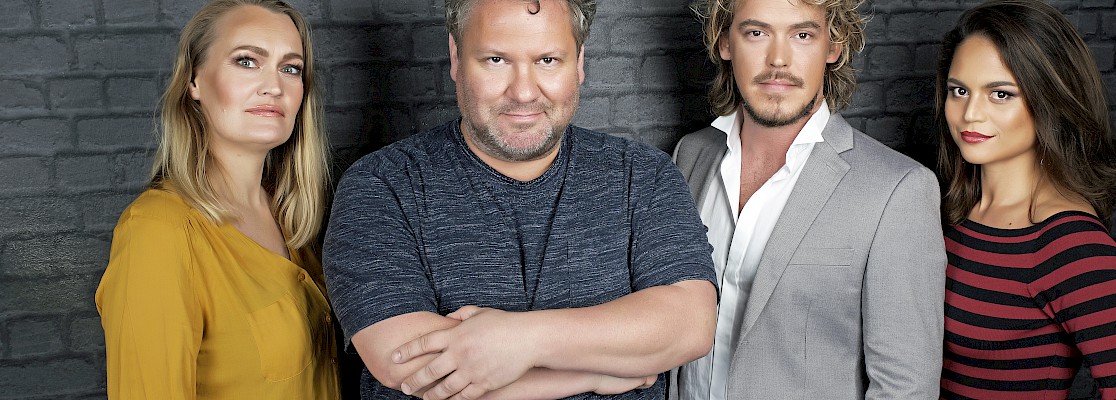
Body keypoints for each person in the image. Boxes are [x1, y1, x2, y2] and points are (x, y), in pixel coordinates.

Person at [321, 0, 718, 399]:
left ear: (579, 61)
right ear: (456, 57)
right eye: (496, 60)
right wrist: (595, 375)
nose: (524, 92)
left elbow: (690, 323)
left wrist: (522, 340)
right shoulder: (382, 184)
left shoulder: (643, 174)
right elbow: (407, 364)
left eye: (547, 60)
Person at [672, 0, 946, 398]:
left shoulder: (898, 190)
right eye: (757, 33)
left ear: (833, 46)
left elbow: (907, 388)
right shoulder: (690, 156)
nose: (778, 59)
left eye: (802, 35)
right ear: (725, 42)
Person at [94, 0, 338, 398]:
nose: (274, 86)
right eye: (246, 61)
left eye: (291, 68)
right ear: (194, 81)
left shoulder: (289, 218)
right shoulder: (158, 232)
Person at [935, 1, 1116, 399]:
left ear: (1049, 100)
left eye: (1000, 94)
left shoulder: (1069, 244)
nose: (970, 114)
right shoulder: (949, 213)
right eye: (959, 91)